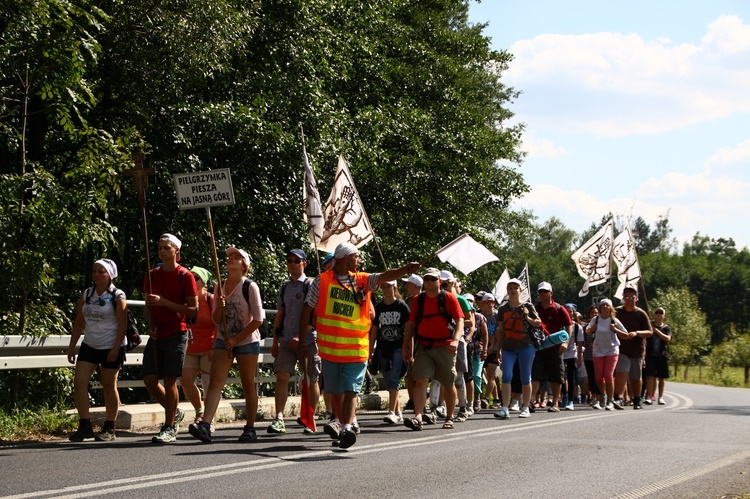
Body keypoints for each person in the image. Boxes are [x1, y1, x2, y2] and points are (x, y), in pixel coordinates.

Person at [299, 242, 420, 449]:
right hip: (330, 349)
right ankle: (339, 421)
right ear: (345, 258)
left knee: (351, 390)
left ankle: (346, 426)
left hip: (356, 348)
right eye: (357, 257)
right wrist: (302, 340)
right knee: (336, 391)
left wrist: (405, 270)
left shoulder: (363, 280)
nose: (359, 260)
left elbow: (384, 276)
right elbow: (307, 310)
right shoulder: (322, 281)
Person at [189, 247, 265, 443]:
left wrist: (236, 340)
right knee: (215, 382)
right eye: (230, 257)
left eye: (237, 257)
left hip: (247, 341)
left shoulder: (250, 287)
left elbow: (258, 320)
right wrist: (221, 308)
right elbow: (215, 320)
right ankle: (205, 424)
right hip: (224, 340)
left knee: (248, 384)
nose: (231, 259)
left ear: (244, 266)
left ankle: (249, 427)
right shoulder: (219, 287)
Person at [143, 233, 198, 444]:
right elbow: (148, 305)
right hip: (158, 333)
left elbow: (193, 310)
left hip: (177, 331)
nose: (162, 251)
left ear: (177, 251)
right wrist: (150, 324)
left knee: (169, 379)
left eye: (167, 247)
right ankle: (174, 412)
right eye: (159, 248)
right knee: (149, 378)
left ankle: (169, 427)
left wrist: (165, 302)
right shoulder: (151, 275)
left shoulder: (185, 276)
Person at [67, 259, 127, 441]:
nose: (97, 275)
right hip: (90, 345)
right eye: (94, 271)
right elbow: (79, 322)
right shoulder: (87, 294)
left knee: (109, 385)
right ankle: (85, 425)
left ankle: (110, 427)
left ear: (110, 274)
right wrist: (71, 347)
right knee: (79, 383)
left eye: (101, 271)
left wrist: (115, 348)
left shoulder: (118, 295)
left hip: (111, 345)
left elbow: (123, 325)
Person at [402, 267, 465, 431]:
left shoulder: (449, 298)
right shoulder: (418, 300)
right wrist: (406, 347)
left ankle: (450, 416)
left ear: (440, 281)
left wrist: (456, 340)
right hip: (424, 346)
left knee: (448, 382)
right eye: (427, 279)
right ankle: (418, 416)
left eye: (433, 279)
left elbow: (460, 321)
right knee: (421, 380)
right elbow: (411, 325)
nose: (429, 282)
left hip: (445, 345)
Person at [268, 249, 320, 435]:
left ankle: (309, 418)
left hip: (307, 341)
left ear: (304, 263)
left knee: (311, 379)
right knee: (282, 375)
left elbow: (314, 316)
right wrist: (275, 340)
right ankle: (279, 418)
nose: (292, 264)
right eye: (289, 260)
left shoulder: (311, 285)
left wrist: (301, 335)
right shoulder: (284, 287)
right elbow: (280, 315)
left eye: (296, 261)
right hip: (286, 340)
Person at [493, 278, 541, 419]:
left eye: (515, 288)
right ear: (507, 291)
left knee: (526, 377)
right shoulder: (503, 309)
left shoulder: (528, 306)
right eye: (510, 288)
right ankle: (504, 408)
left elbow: (538, 323)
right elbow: (500, 331)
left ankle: (525, 407)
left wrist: (527, 316)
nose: (513, 290)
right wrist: (498, 350)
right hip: (508, 348)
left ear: (521, 290)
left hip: (526, 346)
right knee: (507, 375)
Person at [370, 280, 410, 424]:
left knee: (393, 377)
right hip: (383, 348)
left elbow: (409, 330)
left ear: (395, 287)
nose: (386, 289)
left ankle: (391, 412)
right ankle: (398, 412)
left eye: (389, 286)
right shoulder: (378, 307)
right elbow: (374, 330)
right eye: (383, 286)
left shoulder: (401, 306)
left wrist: (409, 350)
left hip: (398, 347)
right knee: (388, 379)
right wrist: (370, 352)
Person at [181, 266, 215, 426]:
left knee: (208, 385)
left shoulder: (211, 299)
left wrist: (215, 346)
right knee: (185, 381)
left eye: (196, 278)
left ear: (204, 282)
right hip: (190, 347)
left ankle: (208, 420)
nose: (192, 280)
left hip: (209, 348)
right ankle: (199, 411)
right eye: (190, 277)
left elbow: (220, 324)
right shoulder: (186, 299)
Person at [532, 281, 572, 413]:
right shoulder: (534, 308)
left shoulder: (559, 308)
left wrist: (565, 342)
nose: (543, 294)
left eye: (545, 291)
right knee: (535, 375)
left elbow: (569, 325)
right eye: (540, 292)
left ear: (551, 293)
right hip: (538, 346)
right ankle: (531, 401)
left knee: (556, 375)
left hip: (555, 347)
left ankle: (555, 402)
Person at [614, 284, 653, 410]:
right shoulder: (617, 312)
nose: (629, 299)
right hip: (621, 349)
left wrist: (636, 333)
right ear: (623, 297)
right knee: (621, 373)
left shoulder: (641, 314)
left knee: (636, 377)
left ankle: (637, 399)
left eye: (631, 296)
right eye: (626, 296)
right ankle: (618, 398)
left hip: (637, 350)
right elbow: (609, 323)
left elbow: (649, 332)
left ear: (636, 298)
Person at [586, 299, 628, 410]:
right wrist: (592, 329)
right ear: (600, 308)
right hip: (598, 350)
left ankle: (610, 401)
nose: (605, 307)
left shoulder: (614, 320)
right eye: (603, 305)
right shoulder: (596, 320)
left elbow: (626, 335)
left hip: (612, 350)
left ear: (611, 308)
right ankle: (602, 398)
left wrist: (615, 329)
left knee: (608, 375)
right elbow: (587, 331)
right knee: (599, 377)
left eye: (607, 305)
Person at [645, 307, 671, 405]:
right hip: (650, 355)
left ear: (664, 316)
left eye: (661, 313)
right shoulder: (649, 326)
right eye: (657, 312)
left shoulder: (666, 328)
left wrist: (657, 331)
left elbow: (667, 339)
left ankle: (660, 397)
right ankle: (649, 396)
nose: (659, 314)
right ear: (654, 315)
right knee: (650, 376)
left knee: (661, 377)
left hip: (662, 356)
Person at [562, 303, 585, 410]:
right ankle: (564, 395)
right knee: (561, 377)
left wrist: (579, 358)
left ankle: (570, 399)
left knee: (571, 377)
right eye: (566, 311)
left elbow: (580, 344)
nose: (568, 313)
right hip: (561, 353)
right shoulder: (560, 325)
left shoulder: (577, 327)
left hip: (572, 353)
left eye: (570, 311)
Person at [583, 304, 602, 408]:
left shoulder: (603, 325)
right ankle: (594, 397)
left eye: (596, 312)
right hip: (589, 356)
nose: (594, 314)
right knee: (591, 378)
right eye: (592, 313)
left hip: (600, 355)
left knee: (599, 377)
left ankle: (601, 396)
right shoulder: (586, 328)